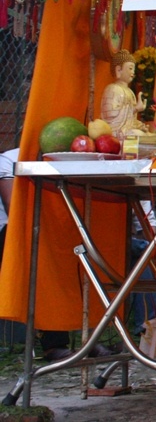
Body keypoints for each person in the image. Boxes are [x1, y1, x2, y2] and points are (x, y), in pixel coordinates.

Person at [0, 149, 114, 361]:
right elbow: (15, 209)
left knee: (84, 247)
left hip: (58, 228)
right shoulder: (10, 159)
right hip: (16, 232)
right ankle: (54, 342)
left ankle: (90, 335)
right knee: (46, 252)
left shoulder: (81, 156)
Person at [101, 50, 150, 140]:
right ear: (118, 70)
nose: (133, 72)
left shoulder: (130, 92)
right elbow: (110, 114)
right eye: (130, 68)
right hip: (115, 131)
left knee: (148, 135)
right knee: (138, 136)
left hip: (127, 128)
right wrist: (135, 109)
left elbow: (131, 120)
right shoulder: (112, 89)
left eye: (134, 69)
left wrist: (139, 125)